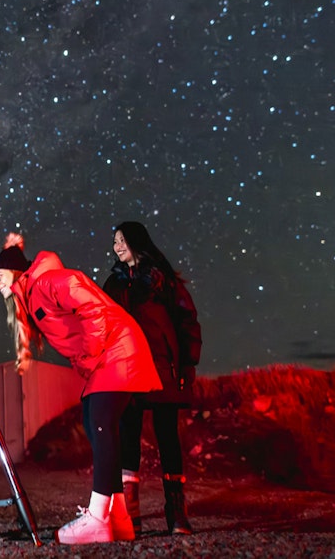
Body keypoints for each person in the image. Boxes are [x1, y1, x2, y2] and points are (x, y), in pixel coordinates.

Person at [0, 232, 162, 544]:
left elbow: (92, 309)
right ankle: (118, 518)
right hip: (109, 354)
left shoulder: (49, 281)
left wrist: (91, 354)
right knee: (95, 424)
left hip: (114, 350)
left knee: (101, 425)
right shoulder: (31, 295)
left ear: (14, 272)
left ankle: (97, 518)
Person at [102, 221, 203, 536]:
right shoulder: (112, 284)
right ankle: (131, 515)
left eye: (121, 241)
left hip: (162, 369)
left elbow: (187, 323)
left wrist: (187, 366)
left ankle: (176, 513)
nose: (117, 247)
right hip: (126, 370)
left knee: (168, 438)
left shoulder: (164, 282)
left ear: (136, 242)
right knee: (127, 437)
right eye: (115, 242)